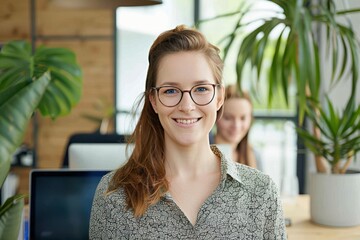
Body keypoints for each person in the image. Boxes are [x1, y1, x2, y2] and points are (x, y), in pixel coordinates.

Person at [89, 25, 286, 239]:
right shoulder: (114, 193)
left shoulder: (261, 192)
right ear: (153, 100)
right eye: (171, 91)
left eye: (201, 89)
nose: (187, 105)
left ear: (219, 97)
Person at [212, 85, 263, 170]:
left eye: (243, 118)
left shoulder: (255, 156)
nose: (236, 125)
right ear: (216, 117)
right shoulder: (202, 153)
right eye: (228, 118)